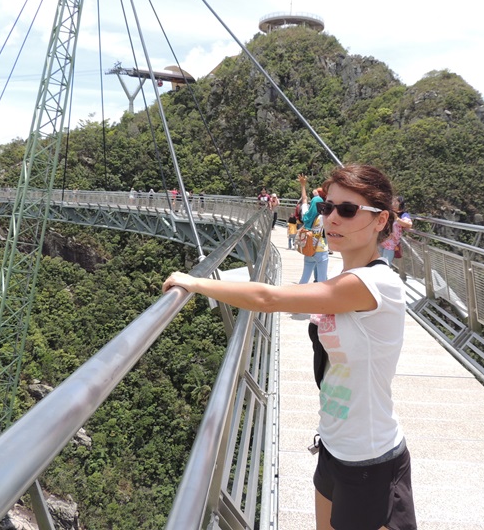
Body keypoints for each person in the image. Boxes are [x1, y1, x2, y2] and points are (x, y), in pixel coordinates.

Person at [163, 164, 416, 530]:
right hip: (332, 447)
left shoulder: (376, 284)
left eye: (348, 210)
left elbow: (268, 297)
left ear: (381, 221)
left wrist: (196, 282)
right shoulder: (342, 276)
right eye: (328, 208)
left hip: (371, 460)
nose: (332, 219)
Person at [298, 174, 329, 283]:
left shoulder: (305, 214)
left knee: (304, 278)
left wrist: (303, 185)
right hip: (321, 250)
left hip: (308, 248)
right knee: (322, 281)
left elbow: (304, 200)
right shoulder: (323, 218)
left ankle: (297, 296)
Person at [380, 196, 413, 264]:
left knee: (385, 265)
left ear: (400, 204)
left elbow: (408, 224)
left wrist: (397, 219)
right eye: (392, 202)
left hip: (391, 244)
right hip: (381, 241)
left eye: (396, 202)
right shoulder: (388, 212)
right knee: (378, 263)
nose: (393, 204)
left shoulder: (403, 214)